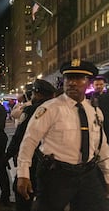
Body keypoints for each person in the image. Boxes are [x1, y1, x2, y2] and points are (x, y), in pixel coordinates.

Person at [17, 60, 109, 211]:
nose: (72, 83)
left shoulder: (94, 111)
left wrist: (107, 174)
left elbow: (101, 145)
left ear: (88, 83)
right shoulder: (50, 108)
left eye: (78, 78)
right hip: (57, 176)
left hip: (87, 173)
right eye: (69, 78)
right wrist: (23, 173)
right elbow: (29, 140)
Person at [5, 79, 56, 211]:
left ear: (38, 94)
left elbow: (21, 136)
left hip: (34, 158)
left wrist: (7, 155)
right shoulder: (58, 110)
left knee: (22, 192)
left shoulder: (33, 110)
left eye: (33, 94)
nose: (32, 97)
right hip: (54, 162)